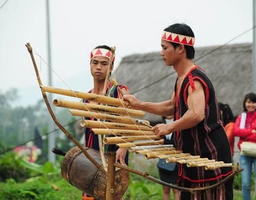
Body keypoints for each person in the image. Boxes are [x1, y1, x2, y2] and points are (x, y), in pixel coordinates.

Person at [123, 23, 233, 200]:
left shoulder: (193, 79)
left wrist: (169, 127)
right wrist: (139, 104)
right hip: (192, 155)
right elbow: (171, 106)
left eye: (164, 48)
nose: (161, 52)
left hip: (209, 154)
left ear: (180, 48)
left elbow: (196, 113)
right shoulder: (181, 79)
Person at [82, 45, 129, 200]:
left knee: (111, 195)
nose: (98, 67)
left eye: (104, 63)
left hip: (113, 154)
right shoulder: (86, 97)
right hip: (91, 156)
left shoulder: (119, 91)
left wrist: (123, 146)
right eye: (95, 62)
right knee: (89, 194)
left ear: (111, 67)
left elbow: (129, 122)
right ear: (90, 65)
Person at [233, 92, 256, 200]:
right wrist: (250, 131)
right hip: (245, 153)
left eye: (253, 102)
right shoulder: (241, 117)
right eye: (248, 102)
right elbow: (235, 131)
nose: (251, 104)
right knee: (245, 184)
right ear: (245, 103)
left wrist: (246, 136)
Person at [157, 116, 180, 200]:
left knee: (176, 189)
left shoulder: (179, 123)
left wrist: (164, 142)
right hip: (163, 160)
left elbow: (179, 141)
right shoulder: (159, 125)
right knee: (165, 189)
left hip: (177, 159)